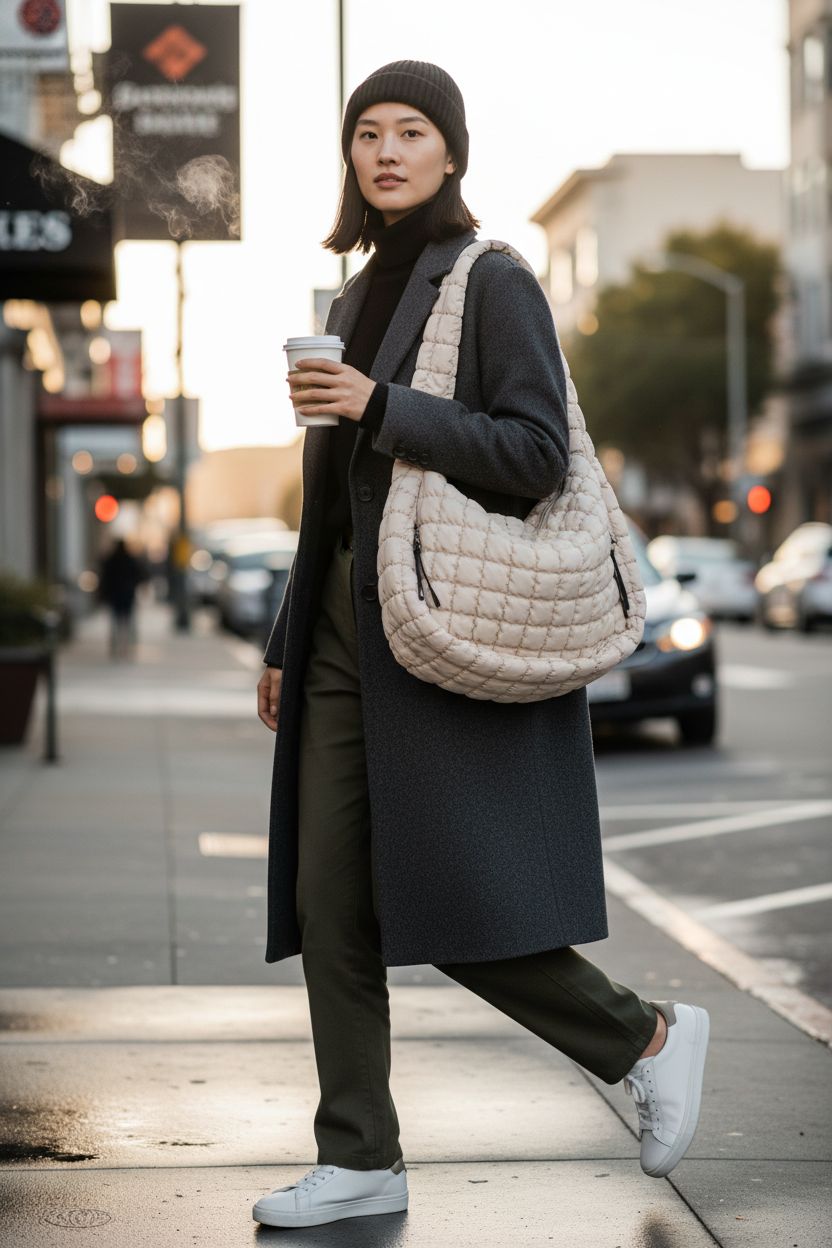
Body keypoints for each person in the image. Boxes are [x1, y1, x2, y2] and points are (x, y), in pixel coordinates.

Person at [253, 61, 710, 1230]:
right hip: (347, 639)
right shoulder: (354, 296)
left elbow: (532, 455)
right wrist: (285, 635)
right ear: (350, 157)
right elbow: (333, 499)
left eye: (413, 131)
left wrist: (378, 405)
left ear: (450, 153)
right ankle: (359, 1151)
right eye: (368, 133)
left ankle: (642, 1036)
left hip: (439, 625)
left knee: (444, 894)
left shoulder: (491, 279)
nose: (388, 150)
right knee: (329, 899)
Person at [97, 537, 146, 660]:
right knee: (127, 620)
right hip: (127, 594)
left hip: (115, 595)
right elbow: (139, 575)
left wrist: (103, 594)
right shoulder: (130, 560)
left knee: (115, 620)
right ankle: (126, 645)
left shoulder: (111, 560)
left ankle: (115, 645)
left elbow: (104, 578)